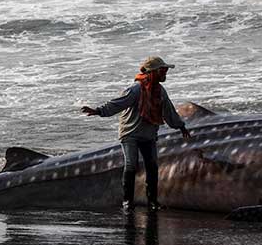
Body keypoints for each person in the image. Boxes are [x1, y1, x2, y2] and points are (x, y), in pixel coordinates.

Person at [81, 56, 191, 211]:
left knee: (152, 166)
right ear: (152, 72)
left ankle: (152, 201)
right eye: (162, 70)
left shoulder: (160, 91)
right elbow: (117, 104)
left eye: (165, 70)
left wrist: (180, 126)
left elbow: (168, 111)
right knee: (131, 165)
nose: (165, 73)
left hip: (149, 133)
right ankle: (127, 201)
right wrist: (98, 111)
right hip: (130, 132)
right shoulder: (136, 89)